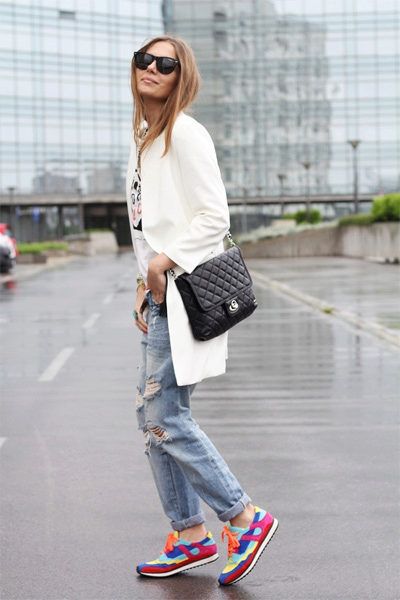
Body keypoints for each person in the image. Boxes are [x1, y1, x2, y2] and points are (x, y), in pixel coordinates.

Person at [126, 35, 278, 586]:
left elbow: (214, 216)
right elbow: (148, 221)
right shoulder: (143, 139)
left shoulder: (185, 134)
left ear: (180, 76)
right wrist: (143, 279)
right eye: (144, 59)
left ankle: (243, 517)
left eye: (165, 64)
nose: (152, 68)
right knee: (151, 417)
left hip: (183, 292)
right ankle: (190, 534)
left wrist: (161, 264)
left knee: (165, 416)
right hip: (160, 294)